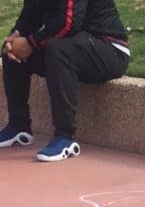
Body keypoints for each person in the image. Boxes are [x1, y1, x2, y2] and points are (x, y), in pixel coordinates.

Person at [1, 0, 129, 162]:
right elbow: (29, 17)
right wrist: (15, 38)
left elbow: (69, 23)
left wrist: (31, 43)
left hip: (109, 48)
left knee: (58, 50)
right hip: (74, 45)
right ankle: (18, 127)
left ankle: (65, 137)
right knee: (10, 50)